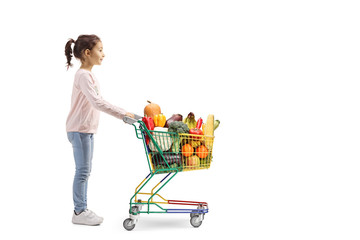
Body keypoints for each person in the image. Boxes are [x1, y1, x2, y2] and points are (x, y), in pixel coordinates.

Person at [65, 34, 134, 226]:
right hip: (79, 130)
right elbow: (97, 102)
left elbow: (97, 102)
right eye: (100, 50)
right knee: (83, 171)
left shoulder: (88, 75)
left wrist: (124, 113)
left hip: (84, 130)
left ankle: (81, 209)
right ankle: (79, 211)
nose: (104, 54)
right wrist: (123, 114)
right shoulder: (83, 76)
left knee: (85, 170)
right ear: (88, 53)